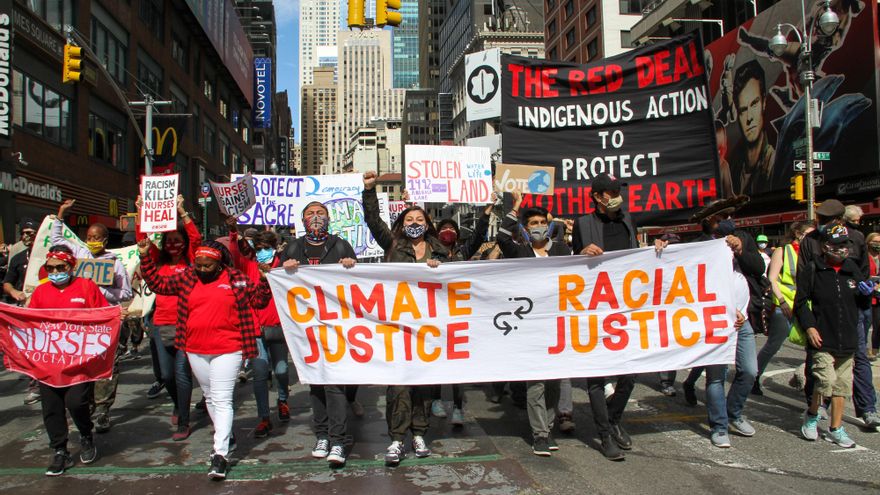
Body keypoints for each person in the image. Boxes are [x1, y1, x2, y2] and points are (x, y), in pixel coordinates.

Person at [139, 239, 272, 480]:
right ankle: (227, 435)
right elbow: (158, 283)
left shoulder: (237, 279)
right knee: (210, 396)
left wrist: (264, 281)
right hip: (194, 348)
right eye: (198, 265)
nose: (201, 269)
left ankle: (219, 454)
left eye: (207, 266)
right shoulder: (188, 277)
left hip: (228, 349)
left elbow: (260, 300)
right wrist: (145, 256)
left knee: (221, 399)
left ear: (219, 264)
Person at [362, 170, 448, 467]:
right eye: (409, 220)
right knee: (398, 384)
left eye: (419, 220)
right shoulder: (393, 246)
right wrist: (369, 190)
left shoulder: (441, 250)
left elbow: (458, 282)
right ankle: (397, 438)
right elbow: (373, 221)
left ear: (428, 224)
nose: (414, 224)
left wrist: (443, 269)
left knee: (424, 383)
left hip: (429, 327)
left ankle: (420, 433)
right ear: (402, 223)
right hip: (398, 325)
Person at [279, 200, 358, 467]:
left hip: (336, 326)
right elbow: (279, 284)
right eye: (310, 213)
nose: (315, 217)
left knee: (335, 382)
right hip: (306, 328)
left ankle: (338, 440)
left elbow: (359, 284)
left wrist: (351, 265)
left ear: (328, 218)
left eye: (320, 213)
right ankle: (322, 434)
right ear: (302, 220)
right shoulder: (292, 247)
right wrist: (284, 268)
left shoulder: (340, 245)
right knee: (316, 382)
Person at [569, 173, 641, 461]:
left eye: (617, 190)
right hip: (594, 308)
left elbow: (639, 256)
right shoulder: (583, 224)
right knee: (596, 377)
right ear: (598, 196)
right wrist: (582, 252)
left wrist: (657, 250)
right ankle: (604, 434)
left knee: (630, 374)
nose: (616, 195)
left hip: (626, 308)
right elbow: (572, 263)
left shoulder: (628, 220)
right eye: (611, 191)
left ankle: (613, 418)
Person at [496, 190, 572, 457]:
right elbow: (501, 237)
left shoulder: (563, 250)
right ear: (526, 230)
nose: (538, 227)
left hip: (556, 325)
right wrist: (515, 208)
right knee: (536, 384)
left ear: (550, 226)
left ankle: (548, 427)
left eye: (542, 223)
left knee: (553, 383)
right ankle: (540, 434)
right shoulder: (519, 251)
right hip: (530, 327)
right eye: (533, 224)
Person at [687, 196, 763, 448]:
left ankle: (734, 412)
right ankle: (719, 426)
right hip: (718, 320)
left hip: (743, 321)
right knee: (716, 377)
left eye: (730, 217)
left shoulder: (743, 239)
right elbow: (696, 286)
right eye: (723, 218)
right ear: (711, 221)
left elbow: (757, 267)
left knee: (749, 371)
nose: (730, 221)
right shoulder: (698, 246)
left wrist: (740, 250)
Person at [797, 200, 880, 428]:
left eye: (825, 220)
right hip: (823, 311)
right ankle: (816, 405)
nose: (820, 224)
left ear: (839, 220)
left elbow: (860, 273)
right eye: (819, 220)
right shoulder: (810, 241)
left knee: (859, 359)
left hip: (852, 309)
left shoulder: (857, 238)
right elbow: (804, 280)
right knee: (818, 363)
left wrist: (863, 291)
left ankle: (867, 408)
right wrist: (809, 322)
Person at [29, 245, 111, 476]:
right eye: (50, 268)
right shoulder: (40, 292)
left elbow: (102, 315)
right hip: (49, 363)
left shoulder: (86, 287)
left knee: (76, 403)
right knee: (52, 408)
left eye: (60, 267)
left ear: (71, 266)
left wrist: (116, 315)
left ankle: (86, 434)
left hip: (78, 362)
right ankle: (60, 450)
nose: (55, 271)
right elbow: (30, 323)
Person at [54, 199, 132, 434]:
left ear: (105, 241)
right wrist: (60, 215)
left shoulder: (114, 263)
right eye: (89, 237)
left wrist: (102, 290)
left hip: (106, 321)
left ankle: (103, 410)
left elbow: (126, 292)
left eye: (97, 238)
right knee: (83, 365)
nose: (92, 241)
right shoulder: (79, 253)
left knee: (107, 366)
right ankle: (85, 406)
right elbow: (58, 240)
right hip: (81, 322)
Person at [136, 194, 201, 440]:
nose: (174, 244)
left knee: (183, 373)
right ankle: (177, 402)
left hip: (187, 324)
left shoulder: (193, 261)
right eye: (169, 240)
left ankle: (184, 420)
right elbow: (142, 241)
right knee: (166, 375)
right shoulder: (157, 261)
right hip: (161, 324)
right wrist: (141, 213)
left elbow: (196, 238)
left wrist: (182, 212)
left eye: (178, 240)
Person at [430, 200, 495, 425]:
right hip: (436, 316)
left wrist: (486, 212)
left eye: (452, 230)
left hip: (458, 316)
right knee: (438, 361)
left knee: (458, 366)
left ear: (457, 234)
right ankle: (436, 399)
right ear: (436, 234)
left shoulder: (463, 252)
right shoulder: (431, 255)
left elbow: (478, 236)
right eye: (443, 230)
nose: (448, 232)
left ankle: (458, 407)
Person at [227, 220, 291, 440]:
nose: (263, 252)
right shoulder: (249, 266)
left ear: (274, 248)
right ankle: (264, 417)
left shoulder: (283, 267)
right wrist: (233, 230)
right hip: (255, 329)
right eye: (259, 249)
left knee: (282, 371)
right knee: (260, 375)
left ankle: (283, 399)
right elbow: (236, 252)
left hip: (278, 327)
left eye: (266, 248)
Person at [753, 222, 815, 396]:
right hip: (785, 304)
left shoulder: (813, 252)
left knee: (812, 346)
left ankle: (811, 388)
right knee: (774, 344)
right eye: (808, 234)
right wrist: (782, 301)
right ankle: (754, 377)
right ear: (798, 233)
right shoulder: (783, 251)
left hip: (806, 304)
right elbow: (772, 279)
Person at [2, 218, 40, 405]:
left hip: (44, 310)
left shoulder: (48, 257)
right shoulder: (17, 258)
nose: (26, 236)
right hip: (24, 310)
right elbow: (7, 282)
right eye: (24, 233)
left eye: (30, 233)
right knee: (29, 348)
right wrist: (14, 292)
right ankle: (35, 386)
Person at [728, 60, 775, 196]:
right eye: (743, 110)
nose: (749, 118)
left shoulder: (774, 164)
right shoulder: (733, 168)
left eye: (754, 104)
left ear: (764, 102)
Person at [867, 232, 880, 360]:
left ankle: (875, 350)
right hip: (867, 294)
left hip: (879, 295)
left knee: (878, 324)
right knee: (866, 323)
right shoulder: (864, 257)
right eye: (875, 242)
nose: (877, 245)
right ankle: (862, 350)